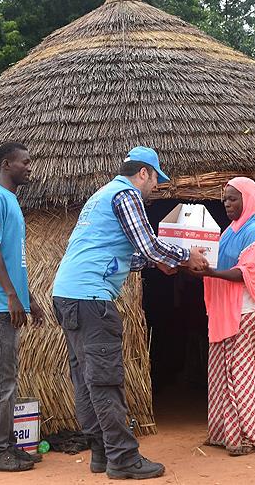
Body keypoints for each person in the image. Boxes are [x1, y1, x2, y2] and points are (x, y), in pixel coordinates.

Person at [52, 146, 209, 480]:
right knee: (106, 379)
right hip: (91, 298)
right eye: (155, 180)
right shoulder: (126, 196)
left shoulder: (101, 196)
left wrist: (162, 262)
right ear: (143, 173)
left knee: (86, 379)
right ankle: (122, 458)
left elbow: (129, 254)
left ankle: (100, 453)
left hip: (68, 294)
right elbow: (149, 245)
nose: (155, 188)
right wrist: (184, 256)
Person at [0, 142, 45, 472]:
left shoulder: (12, 202)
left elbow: (14, 260)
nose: (29, 167)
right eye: (24, 162)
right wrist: (11, 297)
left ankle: (7, 446)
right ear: (6, 164)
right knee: (1, 379)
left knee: (8, 378)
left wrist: (27, 299)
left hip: (9, 302)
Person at [193, 177, 255, 456]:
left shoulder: (253, 232)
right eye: (225, 199)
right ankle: (224, 433)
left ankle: (247, 438)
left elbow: (246, 272)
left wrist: (211, 272)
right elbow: (215, 261)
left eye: (233, 198)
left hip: (245, 311)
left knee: (239, 374)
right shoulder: (230, 231)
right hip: (227, 311)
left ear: (248, 199)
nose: (226, 203)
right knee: (221, 372)